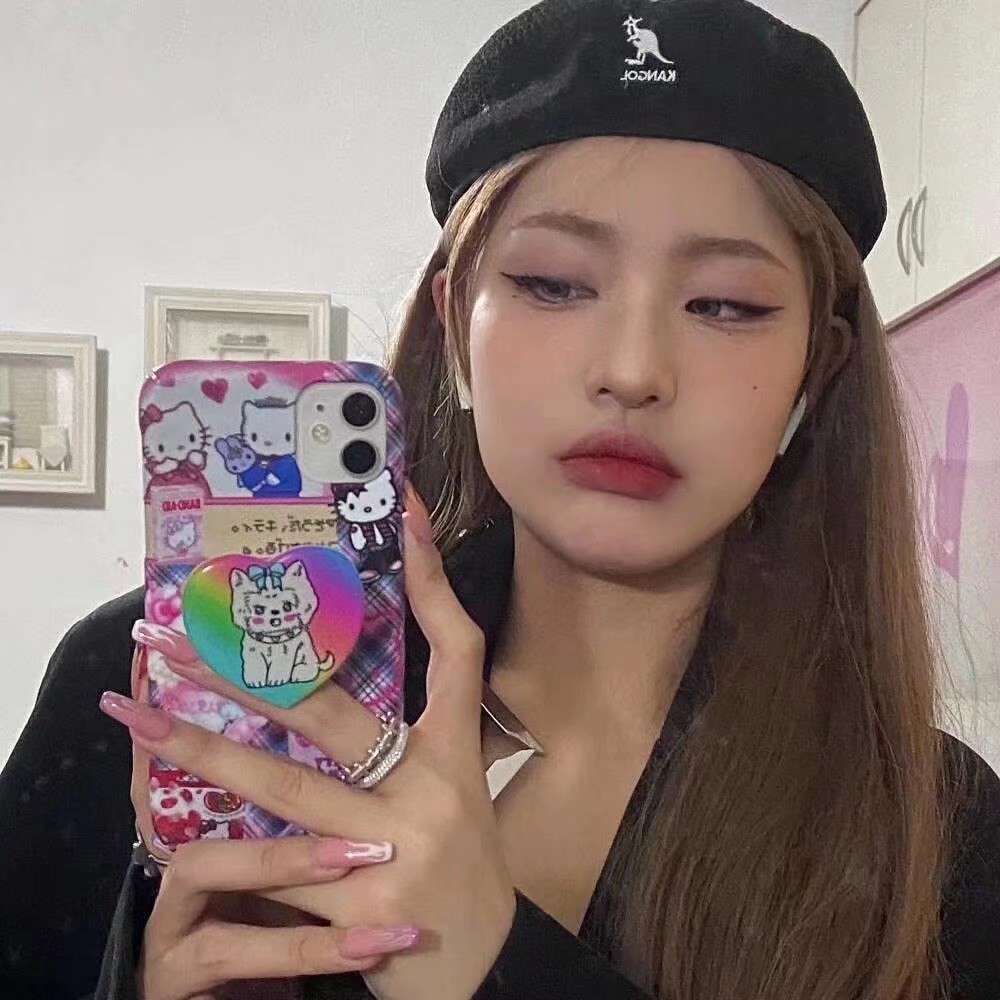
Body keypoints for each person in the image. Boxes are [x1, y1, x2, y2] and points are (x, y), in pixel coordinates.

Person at [1, 0, 998, 997]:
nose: (632, 369)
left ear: (816, 369)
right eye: (553, 284)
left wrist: (491, 967)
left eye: (726, 304)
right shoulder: (165, 691)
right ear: (456, 328)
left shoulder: (941, 833)